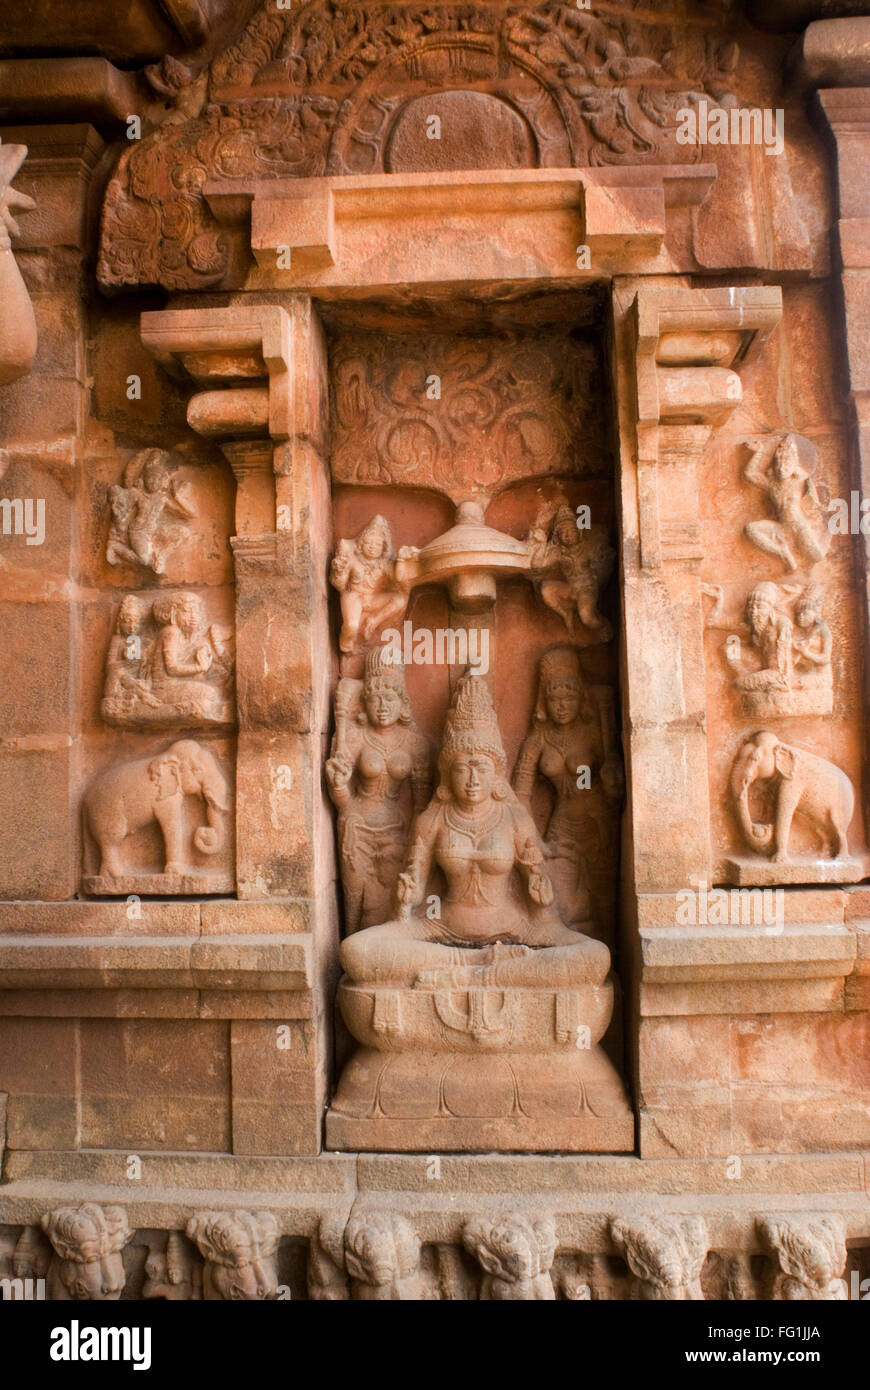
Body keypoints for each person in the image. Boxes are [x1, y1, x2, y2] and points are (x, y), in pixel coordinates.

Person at [340, 671, 610, 990]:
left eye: (480, 766)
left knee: (596, 956)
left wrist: (543, 899)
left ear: (496, 772)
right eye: (461, 767)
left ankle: (466, 973)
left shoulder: (513, 818)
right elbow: (414, 894)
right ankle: (478, 968)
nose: (472, 778)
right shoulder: (432, 820)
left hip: (517, 927)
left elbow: (540, 901)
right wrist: (404, 903)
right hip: (438, 927)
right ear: (447, 772)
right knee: (355, 952)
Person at [326, 647, 431, 934]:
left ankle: (381, 959)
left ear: (403, 702)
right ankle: (353, 958)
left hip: (396, 830)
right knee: (355, 902)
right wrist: (338, 784)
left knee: (389, 905)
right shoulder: (355, 738)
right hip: (355, 826)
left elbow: (422, 807)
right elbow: (343, 802)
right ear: (365, 702)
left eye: (390, 697)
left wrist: (419, 848)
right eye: (375, 698)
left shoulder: (414, 744)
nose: (382, 706)